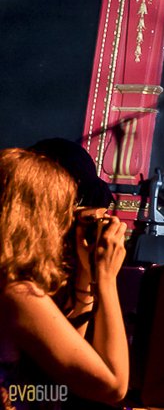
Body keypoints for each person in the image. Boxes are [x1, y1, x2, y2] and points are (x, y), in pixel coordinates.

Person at [0, 148, 129, 408]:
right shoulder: (17, 294)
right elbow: (112, 386)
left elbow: (61, 378)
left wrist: (85, 277)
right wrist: (105, 277)